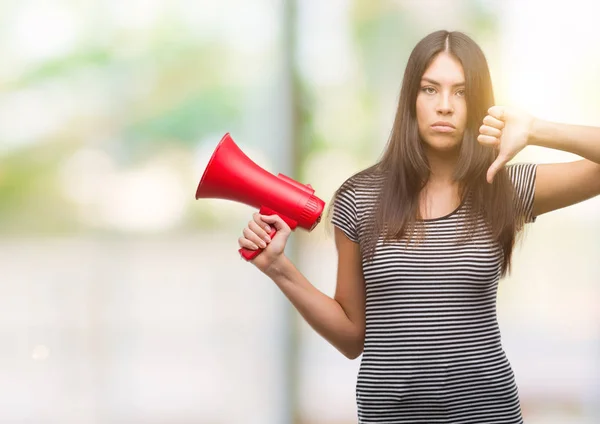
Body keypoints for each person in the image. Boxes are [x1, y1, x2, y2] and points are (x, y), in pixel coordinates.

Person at [237, 30, 600, 423]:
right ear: (412, 98)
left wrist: (535, 129)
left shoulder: (504, 186)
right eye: (430, 89)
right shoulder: (358, 198)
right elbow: (351, 337)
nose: (445, 105)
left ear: (479, 105)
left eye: (461, 92)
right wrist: (279, 268)